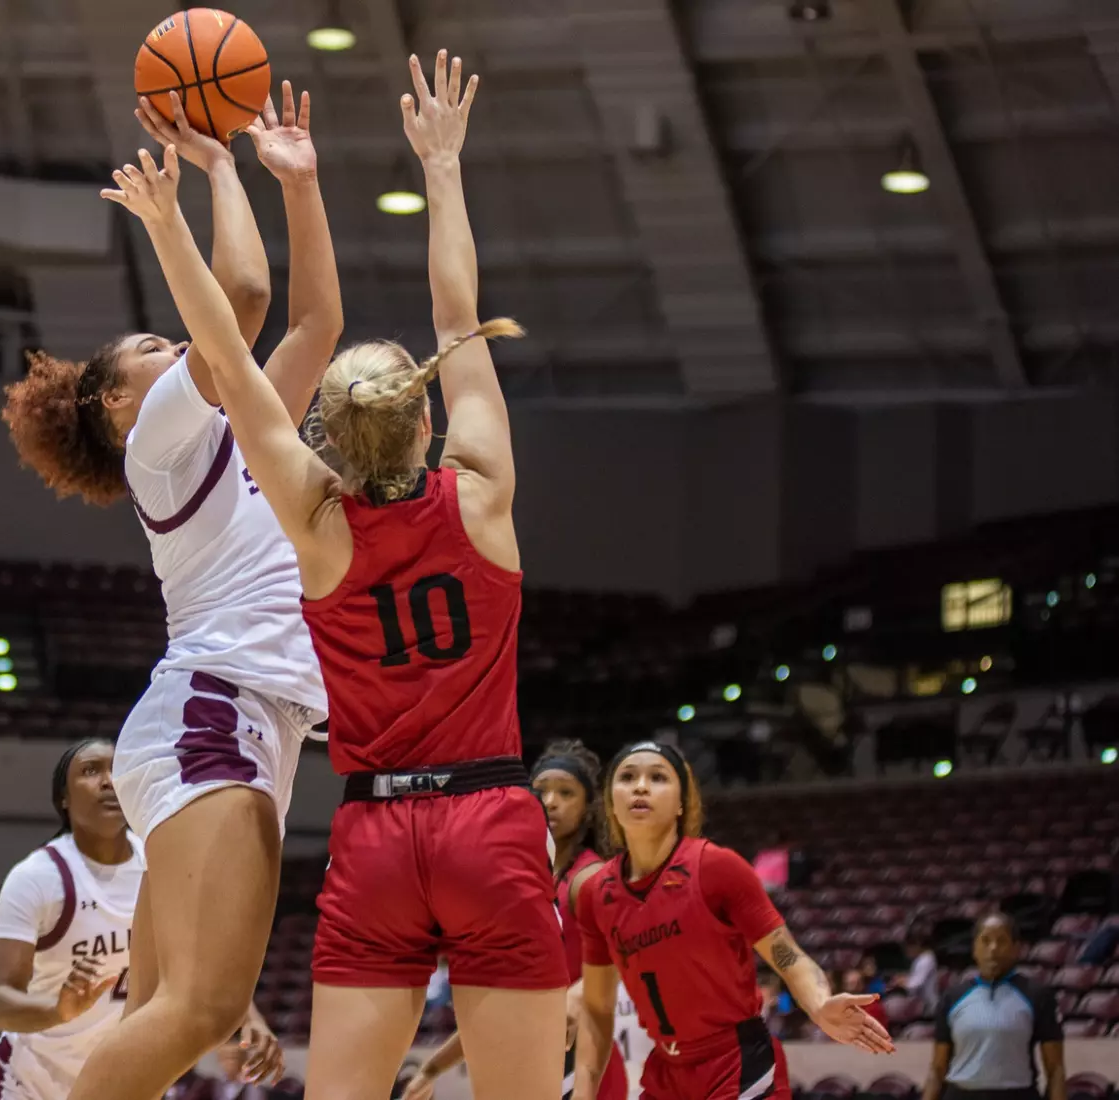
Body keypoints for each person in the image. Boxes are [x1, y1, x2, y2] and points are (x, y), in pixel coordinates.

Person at [104, 49, 567, 1100]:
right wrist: (439, 166)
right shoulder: (482, 490)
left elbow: (224, 344)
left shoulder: (317, 522)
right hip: (489, 814)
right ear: (427, 412)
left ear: (328, 433)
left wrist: (169, 224)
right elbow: (459, 314)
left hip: (373, 828)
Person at [6, 84, 339, 1100]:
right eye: (153, 346)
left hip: (230, 720)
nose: (175, 345)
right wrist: (214, 169)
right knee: (198, 1007)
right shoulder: (160, 441)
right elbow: (239, 301)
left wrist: (300, 183)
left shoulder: (238, 434)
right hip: (215, 712)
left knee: (159, 1013)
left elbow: (314, 320)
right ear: (117, 403)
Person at [0, 740, 284, 1100]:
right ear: (63, 798)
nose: (108, 781)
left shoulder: (159, 863)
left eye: (115, 768)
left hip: (123, 1083)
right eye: (91, 771)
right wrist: (57, 1009)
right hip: (24, 1089)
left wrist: (249, 1020)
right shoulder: (39, 879)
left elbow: (196, 962)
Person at [573, 742, 894, 1100]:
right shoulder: (595, 893)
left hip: (736, 1063)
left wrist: (818, 1003)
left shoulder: (716, 867)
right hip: (665, 1073)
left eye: (658, 777)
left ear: (682, 804)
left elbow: (787, 956)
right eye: (627, 777)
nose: (641, 786)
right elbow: (598, 1011)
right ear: (611, 802)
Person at [404, 741, 647, 1100]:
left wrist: (577, 994)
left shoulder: (590, 879)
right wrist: (433, 1066)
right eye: (541, 791)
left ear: (589, 808)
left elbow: (635, 954)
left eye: (566, 793)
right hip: (526, 1058)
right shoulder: (519, 883)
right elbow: (501, 999)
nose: (550, 801)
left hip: (581, 1068)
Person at [923, 913, 1064, 1100]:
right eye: (985, 941)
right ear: (974, 948)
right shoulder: (952, 997)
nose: (993, 949)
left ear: (1016, 949)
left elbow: (1055, 1070)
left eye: (1002, 941)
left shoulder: (1038, 996)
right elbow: (937, 1068)